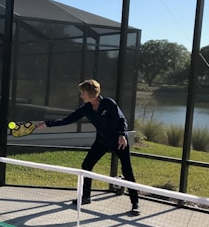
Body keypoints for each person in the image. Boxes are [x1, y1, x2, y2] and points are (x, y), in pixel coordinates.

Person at [37, 79, 140, 216]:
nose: (81, 96)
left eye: (83, 93)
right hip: (102, 141)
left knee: (127, 170)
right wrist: (47, 124)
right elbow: (68, 120)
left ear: (91, 93)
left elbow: (121, 119)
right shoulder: (86, 108)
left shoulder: (108, 103)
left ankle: (135, 204)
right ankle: (85, 197)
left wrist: (121, 135)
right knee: (86, 165)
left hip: (119, 141)